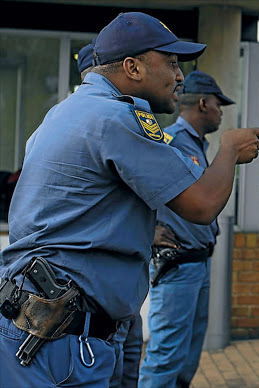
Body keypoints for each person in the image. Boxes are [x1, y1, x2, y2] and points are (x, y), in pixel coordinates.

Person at [0, 12, 259, 387]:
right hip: (57, 339)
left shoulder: (64, 112)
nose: (179, 76)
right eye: (172, 62)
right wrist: (228, 150)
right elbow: (203, 206)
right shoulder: (118, 117)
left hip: (45, 324)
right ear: (133, 67)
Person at [139, 70, 234, 387]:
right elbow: (126, 189)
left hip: (197, 262)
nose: (221, 112)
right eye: (219, 105)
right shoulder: (170, 142)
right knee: (165, 358)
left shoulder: (195, 145)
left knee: (186, 358)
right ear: (205, 103)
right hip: (176, 267)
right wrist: (148, 232)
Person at [78, 40, 145, 388]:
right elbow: (199, 205)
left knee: (128, 369)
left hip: (119, 300)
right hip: (83, 314)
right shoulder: (108, 120)